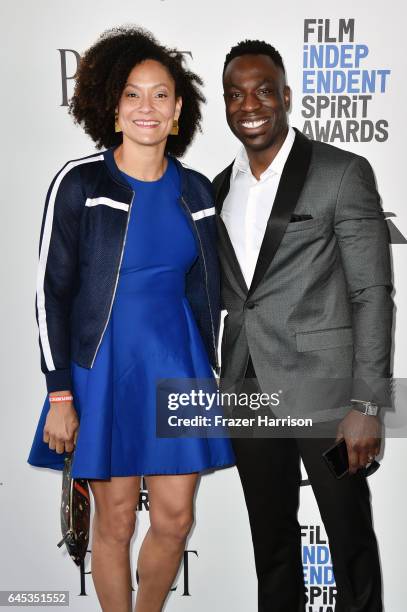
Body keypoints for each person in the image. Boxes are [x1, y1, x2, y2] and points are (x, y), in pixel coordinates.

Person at [28, 26, 234, 612]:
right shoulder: (80, 183)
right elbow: (51, 291)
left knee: (174, 519)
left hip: (180, 370)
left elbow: (207, 291)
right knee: (114, 522)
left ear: (177, 111)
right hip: (103, 368)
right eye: (133, 94)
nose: (148, 106)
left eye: (161, 94)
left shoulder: (195, 190)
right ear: (114, 108)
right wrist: (60, 394)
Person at [213, 39, 393, 611]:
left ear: (286, 96)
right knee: (272, 547)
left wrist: (366, 405)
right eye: (236, 94)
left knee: (350, 545)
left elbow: (372, 293)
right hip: (246, 390)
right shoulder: (217, 188)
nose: (250, 104)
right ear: (225, 104)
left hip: (326, 392)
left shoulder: (342, 173)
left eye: (264, 89)